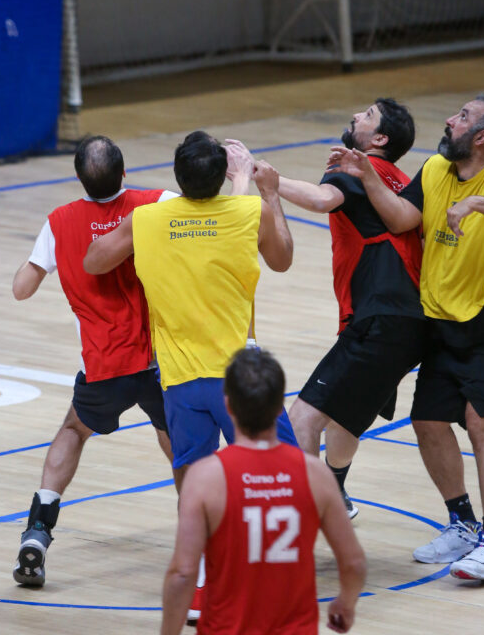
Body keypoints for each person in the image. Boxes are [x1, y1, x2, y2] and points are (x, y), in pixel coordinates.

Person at [84, 130, 294, 619]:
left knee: (195, 485)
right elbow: (282, 259)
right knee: (279, 474)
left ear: (176, 176)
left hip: (179, 381)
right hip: (240, 381)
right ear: (222, 175)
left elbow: (94, 261)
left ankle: (203, 584)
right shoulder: (249, 212)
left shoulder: (147, 219)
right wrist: (264, 191)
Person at [327, 95, 484, 582]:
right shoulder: (437, 169)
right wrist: (368, 175)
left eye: (462, 117)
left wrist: (477, 203)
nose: (449, 120)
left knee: (481, 423)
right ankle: (462, 524)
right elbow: (403, 218)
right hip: (444, 320)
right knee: (428, 422)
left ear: (482, 136)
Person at [229, 98, 425, 520]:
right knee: (346, 419)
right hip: (411, 323)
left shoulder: (354, 169)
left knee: (302, 419)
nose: (355, 115)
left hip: (378, 316)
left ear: (379, 139)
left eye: (367, 115)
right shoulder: (402, 182)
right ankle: (334, 488)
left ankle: (303, 515)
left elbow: (321, 199)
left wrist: (267, 180)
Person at [12, 135, 178, 588]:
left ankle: (38, 531)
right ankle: (202, 537)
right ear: (124, 173)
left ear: (79, 178)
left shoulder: (59, 222)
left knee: (73, 430)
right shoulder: (156, 203)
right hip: (159, 360)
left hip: (103, 366)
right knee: (178, 441)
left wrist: (44, 257)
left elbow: (21, 289)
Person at [161, 347, 367, 635]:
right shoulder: (315, 474)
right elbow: (354, 563)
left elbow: (182, 574)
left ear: (228, 405)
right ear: (279, 406)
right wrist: (346, 603)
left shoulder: (205, 478)